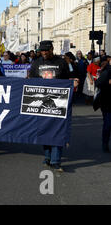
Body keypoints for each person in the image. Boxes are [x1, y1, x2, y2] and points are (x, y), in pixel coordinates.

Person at [29, 40, 77, 173]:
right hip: (42, 103)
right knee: (45, 130)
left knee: (58, 130)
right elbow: (31, 81)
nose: (44, 53)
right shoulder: (36, 63)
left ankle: (56, 161)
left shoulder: (61, 62)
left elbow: (69, 78)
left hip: (59, 102)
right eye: (42, 51)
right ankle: (47, 156)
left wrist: (73, 82)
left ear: (52, 49)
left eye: (46, 50)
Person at [95, 57, 111, 153]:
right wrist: (108, 83)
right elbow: (98, 83)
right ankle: (105, 143)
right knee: (108, 124)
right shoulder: (108, 71)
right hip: (108, 102)